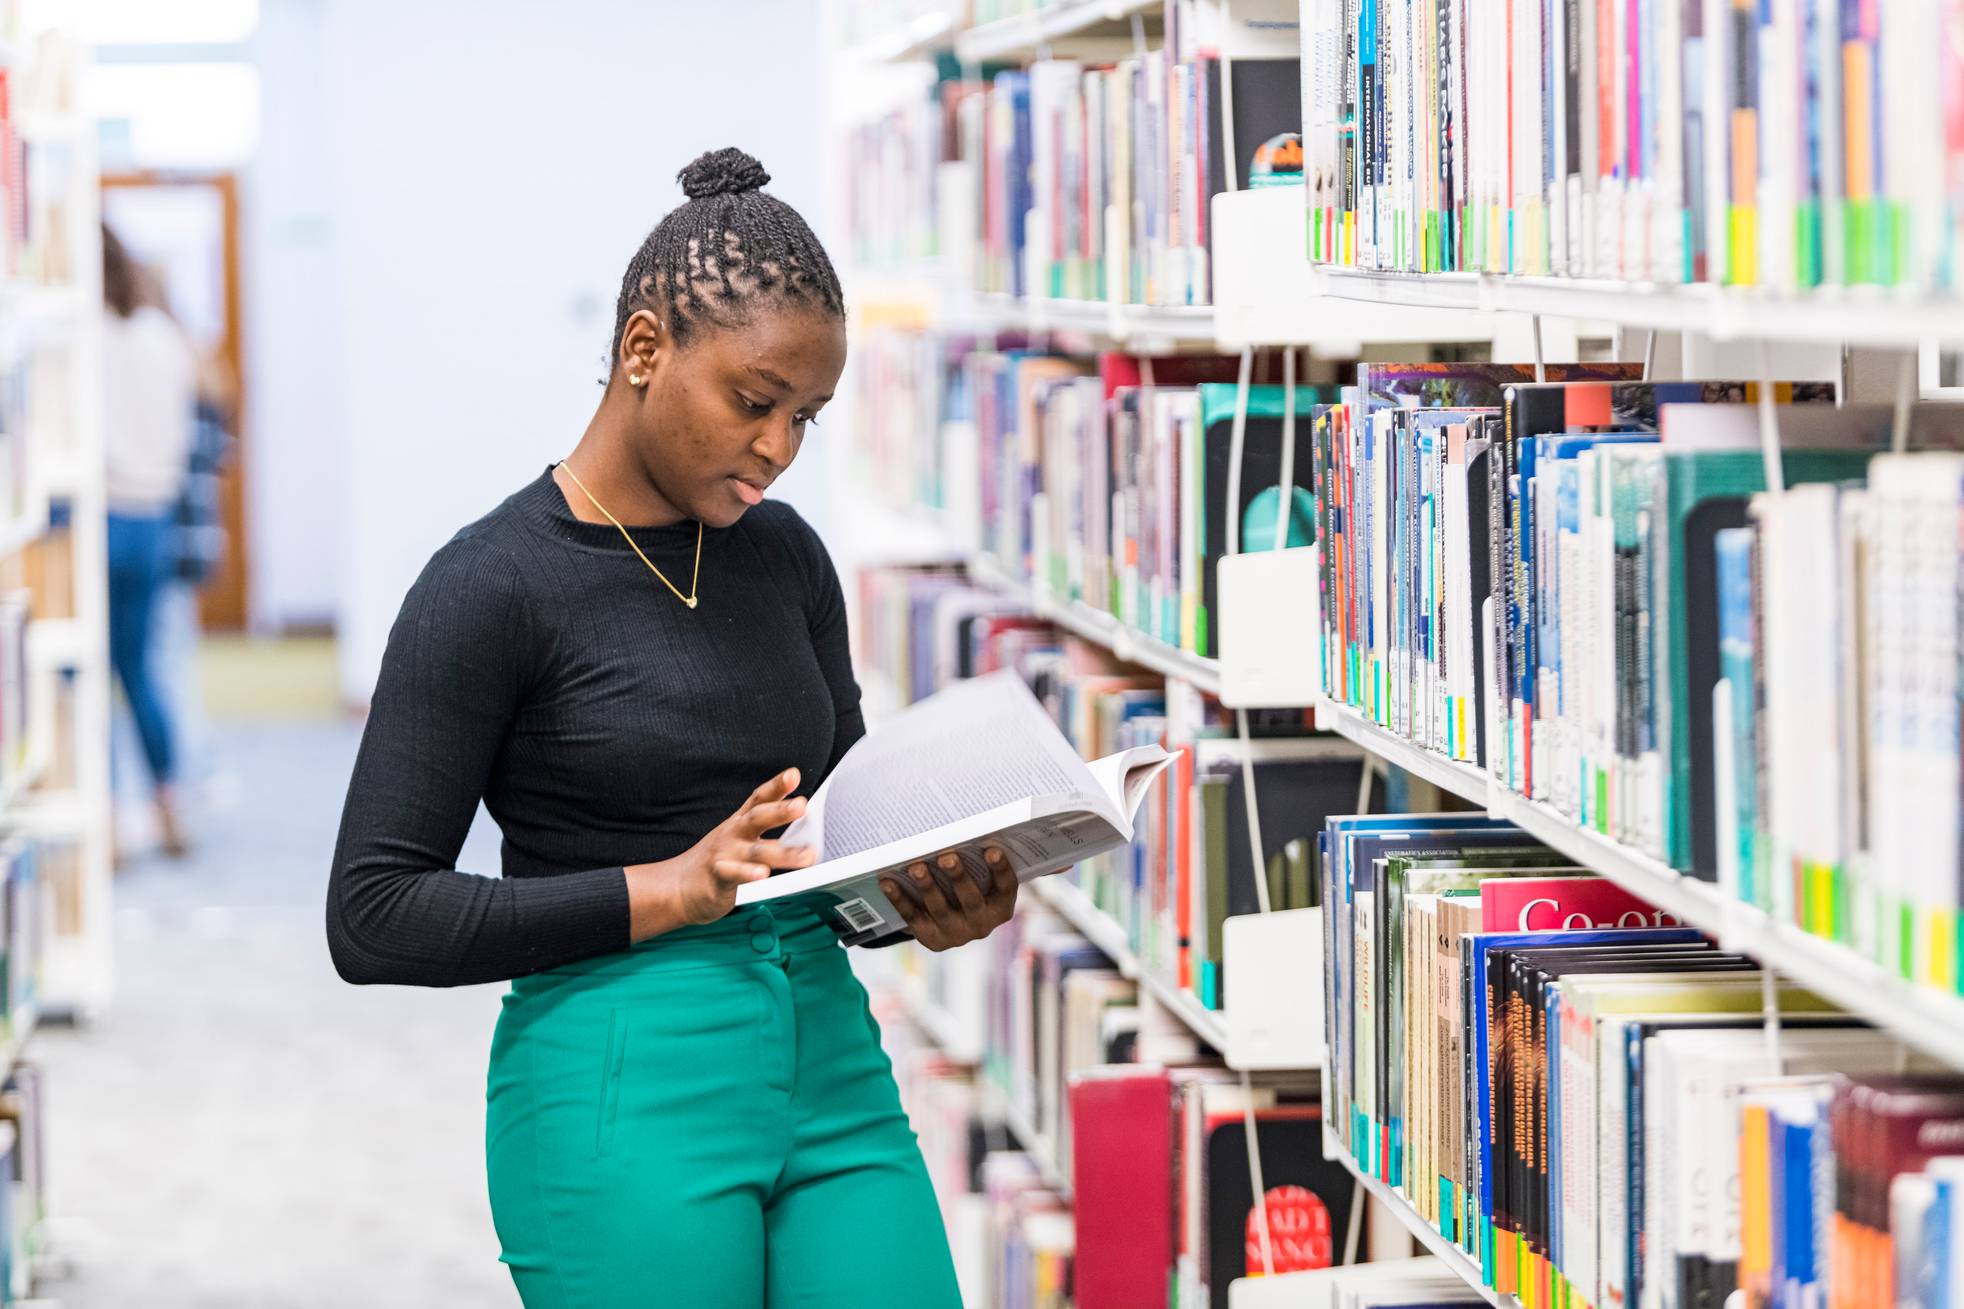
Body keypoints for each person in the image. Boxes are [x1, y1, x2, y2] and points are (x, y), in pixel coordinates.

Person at [327, 147, 1012, 1309]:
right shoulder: (488, 584)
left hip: (831, 1066)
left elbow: (826, 851)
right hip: (616, 1078)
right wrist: (667, 888)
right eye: (754, 402)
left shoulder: (786, 556)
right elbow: (375, 914)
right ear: (645, 350)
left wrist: (920, 903)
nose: (779, 447)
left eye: (806, 415)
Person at [101, 223, 197, 859]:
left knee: (83, 675)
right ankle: (169, 804)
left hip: (101, 512)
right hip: (153, 515)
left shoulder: (88, 338)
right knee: (140, 670)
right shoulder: (165, 335)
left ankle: (106, 823)